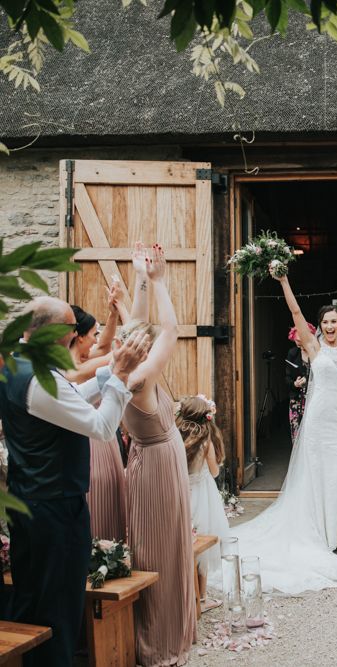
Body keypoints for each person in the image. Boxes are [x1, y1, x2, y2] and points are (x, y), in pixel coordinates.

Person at [0, 296, 149, 667]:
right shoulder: (35, 378)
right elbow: (100, 427)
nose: (75, 336)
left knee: (31, 600)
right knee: (59, 607)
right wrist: (119, 377)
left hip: (30, 501)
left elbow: (70, 400)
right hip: (55, 508)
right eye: (71, 330)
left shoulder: (20, 364)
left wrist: (109, 370)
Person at [225, 269, 337, 595]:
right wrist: (284, 281)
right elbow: (296, 311)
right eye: (325, 322)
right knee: (317, 476)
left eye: (334, 322)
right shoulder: (314, 348)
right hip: (316, 423)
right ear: (319, 326)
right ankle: (321, 536)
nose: (330, 327)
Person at [122, 242, 196, 665]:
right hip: (158, 465)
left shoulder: (124, 369)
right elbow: (169, 330)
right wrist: (160, 281)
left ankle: (166, 627)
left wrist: (139, 279)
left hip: (151, 460)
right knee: (162, 546)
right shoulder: (142, 377)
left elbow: (138, 321)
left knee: (157, 542)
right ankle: (162, 636)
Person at [68, 292, 128, 542]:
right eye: (93, 334)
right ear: (78, 336)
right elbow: (113, 354)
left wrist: (113, 313)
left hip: (105, 440)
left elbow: (103, 347)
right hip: (93, 441)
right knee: (100, 498)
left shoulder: (82, 359)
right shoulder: (76, 370)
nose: (96, 340)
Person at [177, 393, 230, 613]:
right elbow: (215, 472)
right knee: (203, 545)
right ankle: (203, 598)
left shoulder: (176, 439)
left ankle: (186, 594)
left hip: (182, 494)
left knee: (186, 543)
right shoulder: (205, 443)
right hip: (203, 496)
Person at [285, 323, 315, 443]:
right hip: (296, 399)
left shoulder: (316, 352)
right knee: (296, 433)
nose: (298, 343)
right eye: (295, 340)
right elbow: (286, 378)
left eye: (300, 339)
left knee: (312, 432)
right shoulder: (292, 353)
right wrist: (295, 384)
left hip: (313, 398)